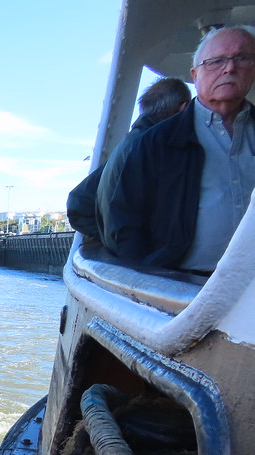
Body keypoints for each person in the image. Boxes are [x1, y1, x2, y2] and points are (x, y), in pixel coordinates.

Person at [100, 25, 255, 272]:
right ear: (195, 74)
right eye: (215, 61)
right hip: (181, 286)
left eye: (242, 58)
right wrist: (147, 282)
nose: (230, 68)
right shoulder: (155, 142)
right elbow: (126, 220)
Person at [66, 77, 191, 240]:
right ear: (184, 108)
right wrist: (119, 238)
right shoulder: (150, 147)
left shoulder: (131, 143)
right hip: (140, 258)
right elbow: (78, 202)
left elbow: (79, 201)